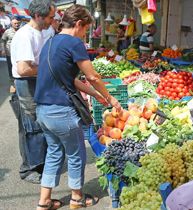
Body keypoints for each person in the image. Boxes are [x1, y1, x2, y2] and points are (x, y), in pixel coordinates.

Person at [34, 4, 122, 209]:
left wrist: (96, 95)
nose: (85, 35)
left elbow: (69, 79)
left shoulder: (50, 42)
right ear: (79, 24)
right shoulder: (74, 43)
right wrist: (111, 99)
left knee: (54, 152)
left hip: (43, 110)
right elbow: (92, 76)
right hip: (61, 111)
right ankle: (76, 198)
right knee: (76, 154)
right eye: (85, 30)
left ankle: (44, 201)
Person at [10, 0, 55, 184]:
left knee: (43, 122)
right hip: (27, 83)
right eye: (50, 17)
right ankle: (28, 169)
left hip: (41, 80)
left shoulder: (48, 30)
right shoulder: (24, 36)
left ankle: (42, 163)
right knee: (30, 126)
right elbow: (23, 69)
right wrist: (48, 67)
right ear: (37, 16)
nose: (53, 21)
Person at [2, 17, 20, 93]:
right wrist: (3, 49)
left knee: (18, 67)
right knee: (10, 67)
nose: (17, 25)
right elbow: (2, 40)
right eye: (15, 23)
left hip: (19, 53)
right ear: (11, 24)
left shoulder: (21, 31)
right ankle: (12, 83)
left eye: (17, 23)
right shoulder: (7, 32)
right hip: (10, 53)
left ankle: (18, 81)